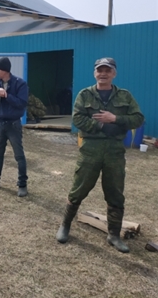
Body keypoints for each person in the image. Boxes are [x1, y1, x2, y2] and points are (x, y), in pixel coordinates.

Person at [55, 57, 144, 253]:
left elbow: (138, 118)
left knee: (115, 192)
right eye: (100, 70)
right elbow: (78, 117)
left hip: (114, 151)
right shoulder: (85, 94)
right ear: (95, 73)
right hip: (90, 149)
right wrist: (102, 125)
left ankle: (113, 235)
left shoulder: (125, 96)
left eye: (107, 70)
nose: (103, 73)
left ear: (114, 73)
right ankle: (65, 226)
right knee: (78, 189)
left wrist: (116, 119)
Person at [0, 57, 29, 197]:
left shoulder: (19, 83)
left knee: (18, 155)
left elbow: (22, 103)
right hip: (0, 123)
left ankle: (22, 185)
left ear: (4, 70)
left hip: (14, 124)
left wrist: (7, 95)